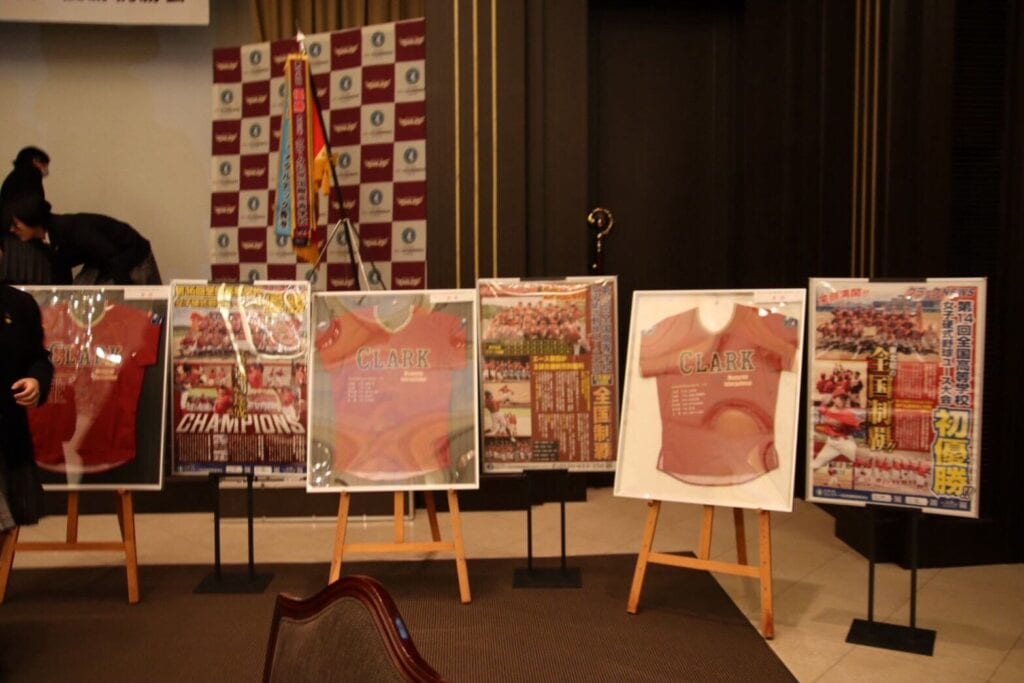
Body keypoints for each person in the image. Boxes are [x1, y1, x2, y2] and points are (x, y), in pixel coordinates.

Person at [0, 277, 54, 535]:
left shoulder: (19, 303)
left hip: (7, 435)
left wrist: (36, 381)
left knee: (5, 530)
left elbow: (38, 358)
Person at [8, 195, 161, 286]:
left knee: (104, 297)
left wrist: (126, 293)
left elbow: (110, 255)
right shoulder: (43, 241)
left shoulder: (71, 228)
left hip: (130, 255)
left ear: (32, 220)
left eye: (16, 224)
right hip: (101, 261)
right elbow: (61, 272)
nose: (12, 230)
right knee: (80, 292)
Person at [0, 147, 54, 284]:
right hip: (22, 235)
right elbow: (35, 205)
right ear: (36, 161)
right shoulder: (31, 174)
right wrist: (40, 228)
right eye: (45, 164)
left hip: (8, 237)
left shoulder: (13, 177)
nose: (46, 170)